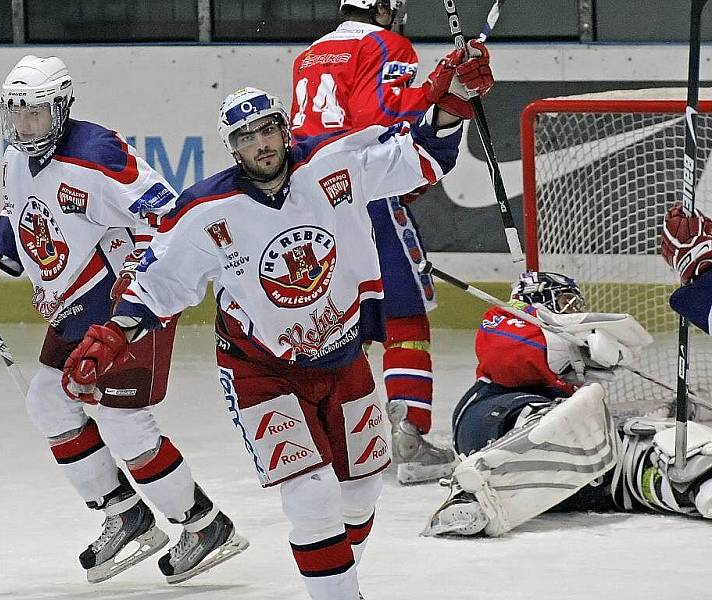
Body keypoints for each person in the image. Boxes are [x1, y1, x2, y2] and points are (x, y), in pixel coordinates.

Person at [60, 44, 492, 599]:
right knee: (312, 498)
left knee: (360, 495)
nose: (261, 144)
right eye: (246, 137)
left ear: (283, 128)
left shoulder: (332, 163)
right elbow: (159, 281)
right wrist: (112, 334)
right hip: (260, 369)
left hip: (342, 357)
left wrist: (453, 100)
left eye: (267, 129)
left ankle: (338, 580)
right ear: (232, 147)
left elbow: (423, 157)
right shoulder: (205, 211)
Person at [0, 55, 248, 583]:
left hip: (130, 306)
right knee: (48, 402)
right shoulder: (16, 159)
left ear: (60, 108)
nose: (22, 125)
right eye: (15, 114)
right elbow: (24, 225)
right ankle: (126, 515)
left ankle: (204, 525)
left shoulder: (97, 155)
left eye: (33, 114)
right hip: (76, 306)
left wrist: (132, 306)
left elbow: (169, 219)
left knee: (124, 423)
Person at [290, 0, 490, 484]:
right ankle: (407, 433)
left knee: (335, 319)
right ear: (382, 10)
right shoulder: (386, 43)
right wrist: (441, 86)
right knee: (404, 314)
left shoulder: (310, 54)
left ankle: (338, 434)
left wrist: (442, 87)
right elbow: (380, 117)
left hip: (310, 202)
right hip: (366, 192)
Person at [423, 270, 712, 537]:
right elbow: (504, 355)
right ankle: (469, 496)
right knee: (556, 419)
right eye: (566, 303)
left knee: (639, 447)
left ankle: (698, 484)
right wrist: (572, 344)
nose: (575, 311)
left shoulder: (573, 399)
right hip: (490, 414)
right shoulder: (504, 319)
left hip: (570, 477)